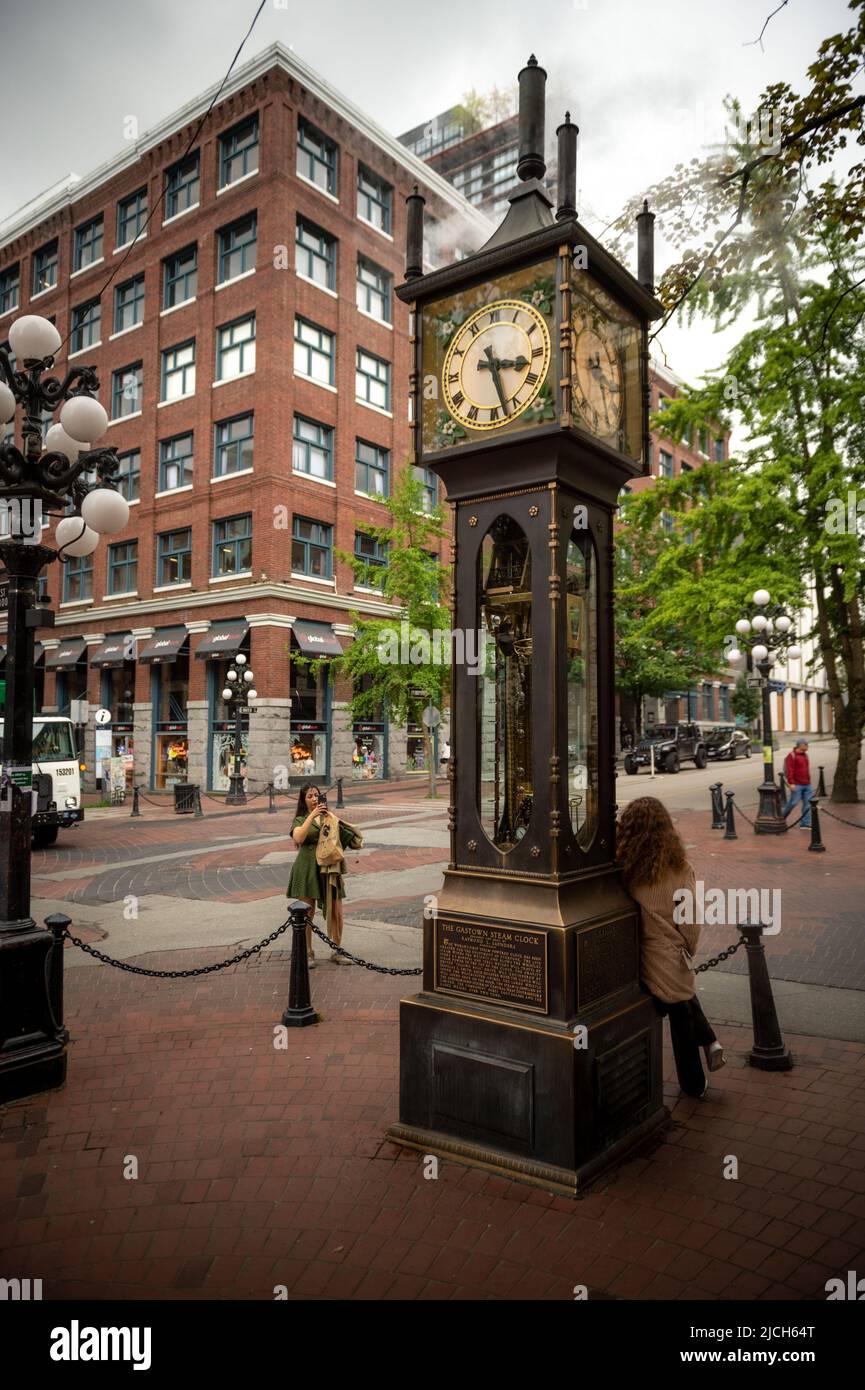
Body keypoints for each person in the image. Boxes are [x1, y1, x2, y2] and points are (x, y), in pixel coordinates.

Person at [616, 796, 725, 1098]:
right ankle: (694, 1083)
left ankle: (710, 1045)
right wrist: (687, 948)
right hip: (670, 954)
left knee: (681, 1003)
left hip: (641, 957)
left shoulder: (625, 869)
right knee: (681, 1015)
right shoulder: (680, 868)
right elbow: (689, 921)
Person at [286, 784, 357, 965]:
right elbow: (298, 838)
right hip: (307, 868)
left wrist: (350, 833)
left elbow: (343, 839)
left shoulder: (330, 818)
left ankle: (337, 951)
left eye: (317, 795)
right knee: (307, 913)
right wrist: (313, 815)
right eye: (309, 796)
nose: (314, 798)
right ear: (303, 800)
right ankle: (308, 952)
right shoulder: (300, 819)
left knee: (337, 912)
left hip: (330, 869)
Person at [783, 739, 813, 828]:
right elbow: (789, 770)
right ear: (800, 745)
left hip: (807, 784)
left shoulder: (805, 755)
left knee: (807, 804)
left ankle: (805, 823)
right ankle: (781, 818)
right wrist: (791, 783)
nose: (808, 746)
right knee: (793, 803)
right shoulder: (791, 756)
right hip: (797, 784)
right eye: (806, 744)